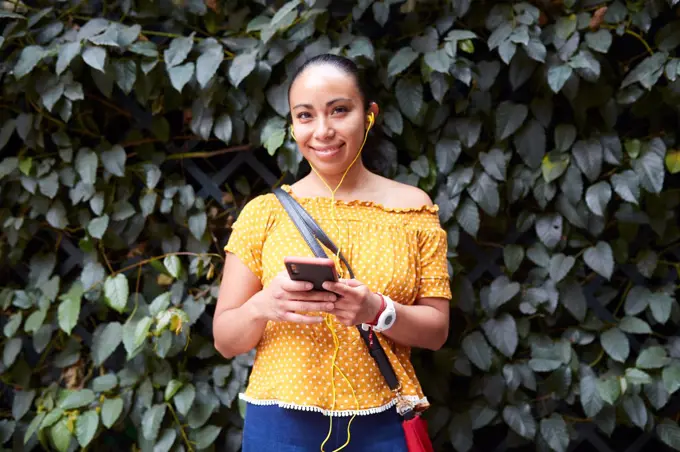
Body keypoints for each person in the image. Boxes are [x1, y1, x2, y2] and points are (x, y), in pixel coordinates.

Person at [213, 54, 452, 452]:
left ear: (369, 114)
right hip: (280, 424)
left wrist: (377, 310)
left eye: (339, 110)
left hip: (383, 425)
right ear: (292, 125)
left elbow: (436, 331)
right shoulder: (264, 213)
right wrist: (263, 305)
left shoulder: (412, 209)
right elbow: (225, 340)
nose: (322, 131)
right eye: (305, 116)